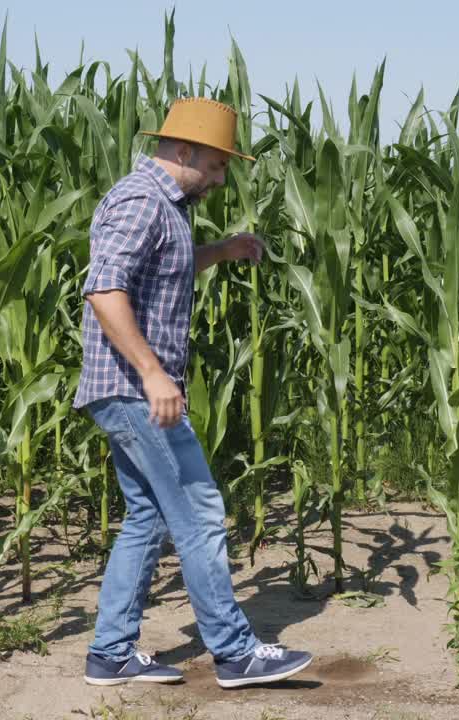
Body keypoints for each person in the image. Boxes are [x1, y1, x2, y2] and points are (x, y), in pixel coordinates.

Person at [75, 96, 313, 689]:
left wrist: (224, 250)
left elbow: (164, 269)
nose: (220, 177)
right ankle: (235, 653)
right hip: (134, 390)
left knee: (147, 517)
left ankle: (110, 653)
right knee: (201, 509)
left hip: (129, 390)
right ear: (184, 151)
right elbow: (105, 291)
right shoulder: (140, 200)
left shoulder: (167, 208)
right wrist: (154, 374)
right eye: (216, 165)